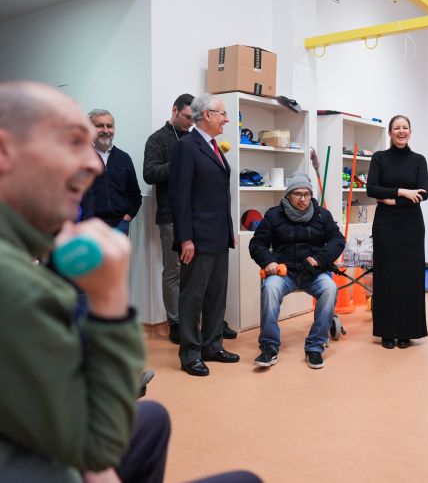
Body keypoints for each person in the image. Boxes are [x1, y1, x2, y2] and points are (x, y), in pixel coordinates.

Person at [0, 81, 259, 482]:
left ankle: (208, 345)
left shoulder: (26, 258)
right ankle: (191, 349)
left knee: (152, 418)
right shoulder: (17, 285)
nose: (92, 165)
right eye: (72, 143)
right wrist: (109, 298)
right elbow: (99, 445)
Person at [169, 93, 239, 376]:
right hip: (196, 239)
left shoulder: (213, 146)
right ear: (207, 115)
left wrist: (229, 231)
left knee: (216, 295)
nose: (227, 120)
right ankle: (190, 354)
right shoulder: (186, 147)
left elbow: (218, 195)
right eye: (223, 114)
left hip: (219, 235)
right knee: (192, 297)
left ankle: (212, 345)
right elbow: (179, 197)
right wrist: (185, 238)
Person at [249, 172, 345, 369]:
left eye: (306, 194)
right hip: (284, 273)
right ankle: (269, 347)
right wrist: (268, 261)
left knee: (330, 288)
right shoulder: (273, 215)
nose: (303, 199)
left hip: (313, 273)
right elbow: (257, 244)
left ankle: (315, 346)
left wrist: (319, 259)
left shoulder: (322, 215)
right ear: (288, 195)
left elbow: (337, 240)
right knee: (270, 288)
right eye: (297, 194)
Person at [366, 114, 428, 349]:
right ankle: (386, 331)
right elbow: (371, 188)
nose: (401, 131)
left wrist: (392, 199)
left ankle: (407, 332)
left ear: (410, 132)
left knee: (410, 276)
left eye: (405, 127)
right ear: (390, 132)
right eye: (397, 128)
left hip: (412, 225)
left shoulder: (419, 160)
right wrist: (402, 192)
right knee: (386, 275)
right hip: (385, 224)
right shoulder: (380, 158)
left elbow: (423, 193)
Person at [143, 93, 194, 344]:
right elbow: (150, 173)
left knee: (196, 271)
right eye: (187, 117)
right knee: (174, 270)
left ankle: (193, 320)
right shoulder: (157, 139)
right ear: (174, 110)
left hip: (197, 216)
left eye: (194, 119)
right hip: (170, 215)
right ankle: (175, 323)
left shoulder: (195, 138)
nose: (190, 123)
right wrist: (178, 163)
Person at [86, 108, 142, 234]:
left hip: (120, 225)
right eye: (100, 126)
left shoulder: (124, 158)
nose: (106, 130)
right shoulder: (81, 157)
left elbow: (134, 194)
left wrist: (128, 216)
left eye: (109, 126)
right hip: (90, 227)